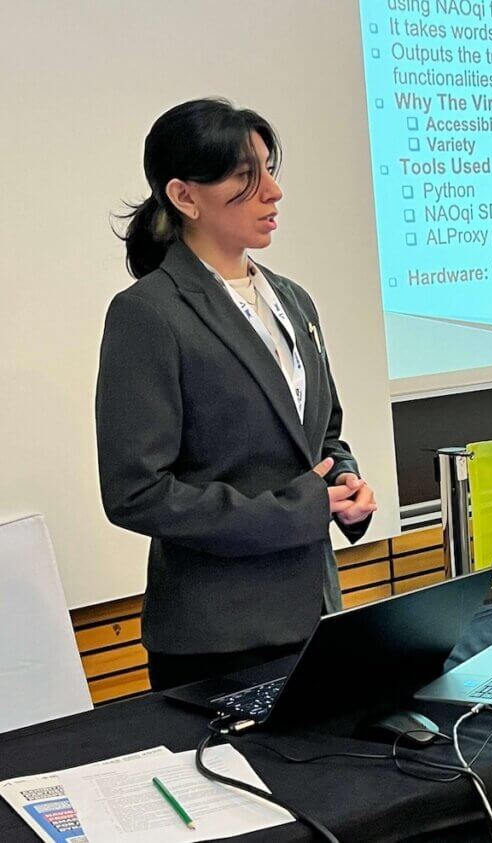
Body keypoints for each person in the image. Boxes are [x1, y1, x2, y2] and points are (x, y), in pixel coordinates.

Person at [96, 98, 376, 691]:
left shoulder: (294, 301)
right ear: (184, 196)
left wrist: (344, 486)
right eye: (247, 177)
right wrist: (300, 510)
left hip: (317, 613)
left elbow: (322, 437)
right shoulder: (148, 314)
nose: (272, 191)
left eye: (269, 170)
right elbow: (136, 494)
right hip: (217, 639)